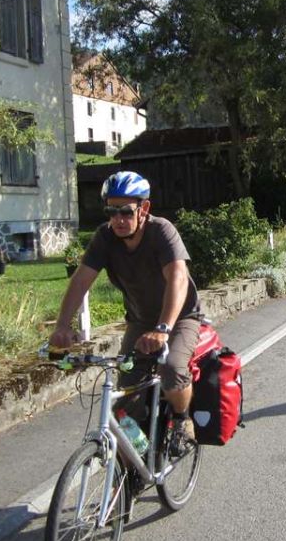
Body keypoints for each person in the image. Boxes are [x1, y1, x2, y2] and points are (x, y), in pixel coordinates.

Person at [49, 170, 202, 443]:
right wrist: (62, 326)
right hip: (140, 321)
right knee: (126, 395)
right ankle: (135, 460)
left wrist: (163, 328)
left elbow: (178, 278)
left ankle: (182, 419)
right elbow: (81, 280)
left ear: (144, 209)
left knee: (172, 368)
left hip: (180, 318)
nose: (118, 219)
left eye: (126, 212)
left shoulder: (161, 231)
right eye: (111, 211)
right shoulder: (105, 238)